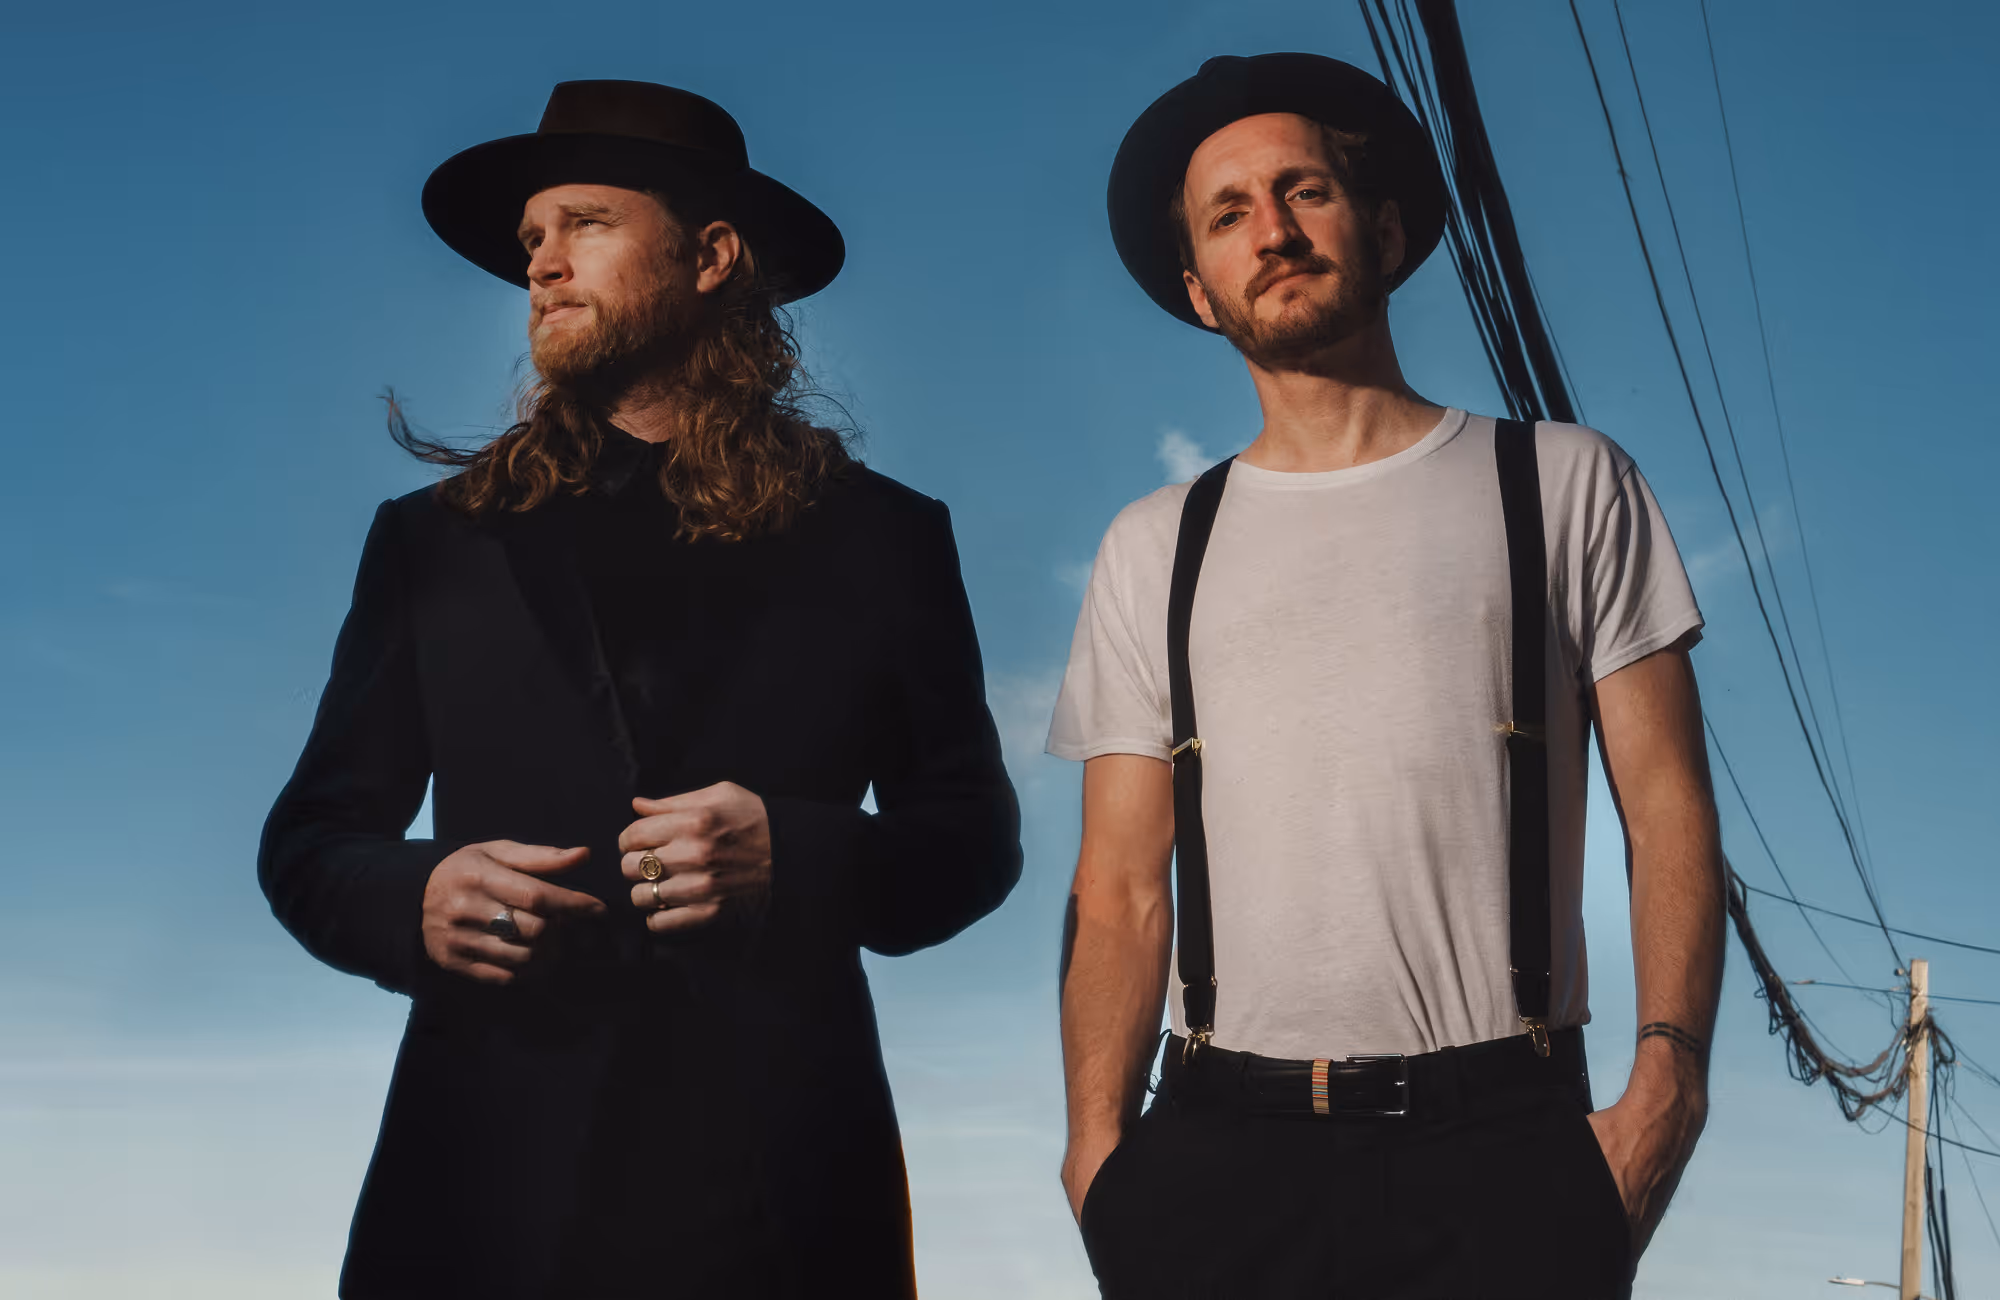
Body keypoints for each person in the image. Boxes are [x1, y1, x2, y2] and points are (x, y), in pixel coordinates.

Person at [259, 79, 1021, 1299]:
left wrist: (798, 854)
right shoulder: (433, 539)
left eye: (583, 225)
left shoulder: (884, 537)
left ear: (711, 255)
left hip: (776, 1204)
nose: (541, 266)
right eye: (529, 243)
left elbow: (972, 842)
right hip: (480, 1199)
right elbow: (309, 841)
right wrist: (417, 893)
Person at [1050, 53, 1723, 1298]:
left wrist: (1665, 1088)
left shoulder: (1564, 481)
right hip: (1213, 1156)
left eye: (1302, 190)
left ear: (1385, 225)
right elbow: (1121, 882)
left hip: (1505, 1143)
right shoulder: (1155, 544)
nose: (1273, 230)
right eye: (1229, 212)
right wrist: (1097, 1156)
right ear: (1200, 292)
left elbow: (1668, 803)